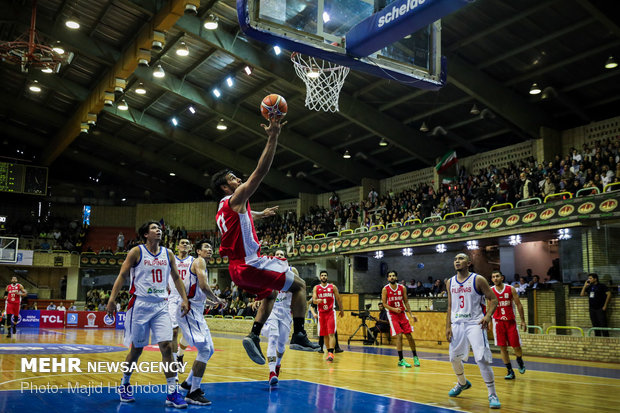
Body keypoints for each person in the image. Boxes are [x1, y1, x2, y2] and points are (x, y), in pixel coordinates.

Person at [212, 116, 317, 365]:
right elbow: (260, 172)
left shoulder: (222, 207)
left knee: (269, 294)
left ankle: (253, 335)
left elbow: (242, 220)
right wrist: (273, 136)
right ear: (226, 188)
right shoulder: (236, 198)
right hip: (250, 262)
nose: (238, 180)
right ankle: (300, 334)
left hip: (237, 268)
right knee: (300, 285)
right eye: (233, 179)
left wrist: (260, 214)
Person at [106, 221, 190, 408]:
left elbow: (176, 277)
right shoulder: (136, 252)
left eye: (159, 228)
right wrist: (112, 299)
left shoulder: (168, 253)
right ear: (145, 234)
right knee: (136, 350)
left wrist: (184, 299)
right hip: (140, 305)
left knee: (167, 347)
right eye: (154, 228)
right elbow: (122, 275)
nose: (158, 230)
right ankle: (125, 383)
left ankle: (172, 392)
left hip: (161, 305)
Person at [445, 253, 500, 409]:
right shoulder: (449, 282)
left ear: (468, 263)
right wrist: (447, 326)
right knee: (453, 359)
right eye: (455, 259)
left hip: (475, 324)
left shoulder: (478, 279)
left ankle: (492, 394)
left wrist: (488, 316)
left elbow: (494, 299)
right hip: (457, 324)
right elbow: (449, 306)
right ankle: (462, 383)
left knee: (482, 359)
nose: (457, 261)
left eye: (461, 259)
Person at [177, 239, 224, 405]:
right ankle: (193, 392)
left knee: (209, 350)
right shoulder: (199, 261)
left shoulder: (198, 263)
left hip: (196, 307)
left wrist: (211, 302)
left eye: (211, 247)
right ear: (198, 251)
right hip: (189, 309)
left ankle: (187, 384)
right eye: (206, 247)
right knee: (204, 349)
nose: (210, 249)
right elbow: (204, 287)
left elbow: (197, 289)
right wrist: (217, 298)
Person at [262, 250, 295, 385]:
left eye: (282, 254)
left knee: (281, 345)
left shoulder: (292, 271)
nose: (279, 256)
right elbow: (264, 290)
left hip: (287, 312)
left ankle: (278, 364)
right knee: (273, 339)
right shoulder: (268, 273)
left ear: (285, 257)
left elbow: (297, 290)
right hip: (273, 311)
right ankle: (271, 372)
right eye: (277, 254)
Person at [491, 270, 527, 380]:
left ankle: (519, 361)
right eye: (493, 277)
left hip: (510, 322)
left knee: (516, 346)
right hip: (498, 322)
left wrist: (523, 320)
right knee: (503, 347)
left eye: (497, 276)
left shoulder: (510, 289)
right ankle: (510, 371)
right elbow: (490, 307)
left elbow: (519, 305)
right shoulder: (491, 291)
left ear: (502, 277)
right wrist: (488, 321)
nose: (495, 278)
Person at [381, 270, 420, 368]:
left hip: (402, 314)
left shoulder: (402, 288)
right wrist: (393, 309)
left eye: (393, 275)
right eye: (390, 276)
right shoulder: (385, 289)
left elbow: (406, 301)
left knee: (409, 336)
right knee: (399, 335)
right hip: (392, 314)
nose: (392, 277)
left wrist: (411, 314)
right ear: (388, 278)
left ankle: (415, 357)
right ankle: (401, 359)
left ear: (396, 277)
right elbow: (384, 304)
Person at [169, 238, 193, 381]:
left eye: (187, 243)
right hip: (173, 298)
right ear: (177, 246)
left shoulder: (194, 261)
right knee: (173, 331)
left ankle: (180, 354)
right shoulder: (171, 260)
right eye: (182, 243)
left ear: (190, 248)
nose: (184, 244)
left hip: (189, 298)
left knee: (189, 334)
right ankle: (173, 368)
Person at [312, 270, 344, 362]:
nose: (324, 277)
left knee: (331, 333)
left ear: (327, 277)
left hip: (330, 312)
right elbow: (313, 300)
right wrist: (317, 301)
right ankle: (328, 351)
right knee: (324, 334)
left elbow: (338, 299)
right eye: (322, 275)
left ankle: (331, 353)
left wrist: (341, 310)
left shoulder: (332, 287)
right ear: (320, 277)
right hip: (321, 313)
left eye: (325, 275)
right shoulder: (316, 288)